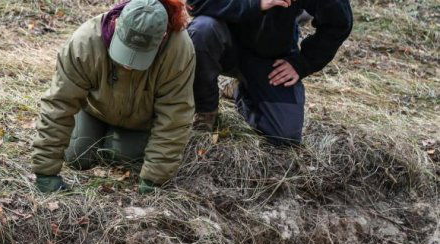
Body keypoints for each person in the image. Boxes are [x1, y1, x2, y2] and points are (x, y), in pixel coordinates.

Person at [31, 0, 195, 194]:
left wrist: (153, 180)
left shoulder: (178, 51)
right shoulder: (86, 42)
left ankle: (119, 143)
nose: (129, 65)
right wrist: (45, 173)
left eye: (140, 56)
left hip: (140, 123)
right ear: (117, 23)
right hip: (95, 111)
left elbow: (174, 116)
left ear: (163, 37)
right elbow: (59, 103)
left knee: (124, 156)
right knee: (76, 155)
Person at [187, 0, 353, 143]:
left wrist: (302, 63)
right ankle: (205, 110)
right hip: (222, 43)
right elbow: (195, 3)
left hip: (270, 55)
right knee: (202, 30)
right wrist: (256, 3)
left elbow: (339, 21)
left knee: (284, 135)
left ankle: (239, 90)